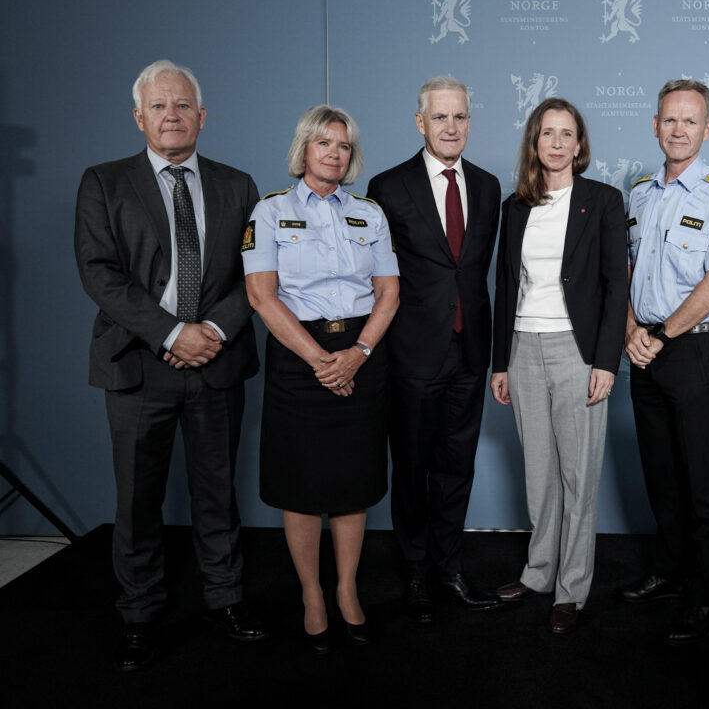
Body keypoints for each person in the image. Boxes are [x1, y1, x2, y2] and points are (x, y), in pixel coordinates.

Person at [74, 60, 266, 671]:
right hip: (138, 364)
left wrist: (211, 331)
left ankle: (225, 599)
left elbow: (258, 274)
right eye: (158, 106)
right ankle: (139, 615)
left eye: (183, 105)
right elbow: (99, 273)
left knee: (217, 493)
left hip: (216, 359)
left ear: (202, 116)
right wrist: (171, 333)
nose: (172, 115)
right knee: (138, 501)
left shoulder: (238, 185)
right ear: (139, 117)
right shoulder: (105, 182)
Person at [242, 106, 398, 653]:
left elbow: (389, 293)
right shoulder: (269, 211)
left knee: (354, 481)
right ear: (303, 149)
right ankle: (312, 595)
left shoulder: (369, 214)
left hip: (361, 352)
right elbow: (261, 296)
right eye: (323, 143)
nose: (334, 153)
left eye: (343, 145)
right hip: (297, 356)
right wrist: (320, 361)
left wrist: (357, 353)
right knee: (302, 485)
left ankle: (346, 589)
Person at [365, 76, 503, 621]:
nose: (451, 127)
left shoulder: (488, 186)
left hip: (470, 351)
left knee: (456, 467)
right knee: (412, 468)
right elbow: (375, 276)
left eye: (460, 116)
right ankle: (416, 573)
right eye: (440, 117)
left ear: (470, 121)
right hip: (413, 354)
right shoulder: (388, 186)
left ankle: (450, 567)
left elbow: (479, 272)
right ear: (420, 122)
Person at [488, 99, 626, 635]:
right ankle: (539, 571)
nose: (557, 143)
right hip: (524, 348)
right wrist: (501, 362)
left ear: (579, 144)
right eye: (548, 133)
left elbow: (616, 286)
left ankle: (572, 588)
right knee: (539, 472)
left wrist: (605, 362)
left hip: (577, 350)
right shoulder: (515, 206)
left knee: (578, 475)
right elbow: (505, 286)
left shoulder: (603, 200)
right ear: (535, 141)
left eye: (567, 134)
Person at [619, 78, 709, 645]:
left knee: (703, 479)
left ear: (707, 128)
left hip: (693, 348)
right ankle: (669, 571)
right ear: (655, 125)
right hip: (642, 348)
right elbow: (628, 271)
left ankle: (706, 596)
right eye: (669, 119)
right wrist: (631, 330)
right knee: (661, 471)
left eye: (690, 121)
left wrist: (659, 335)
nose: (678, 130)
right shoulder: (639, 192)